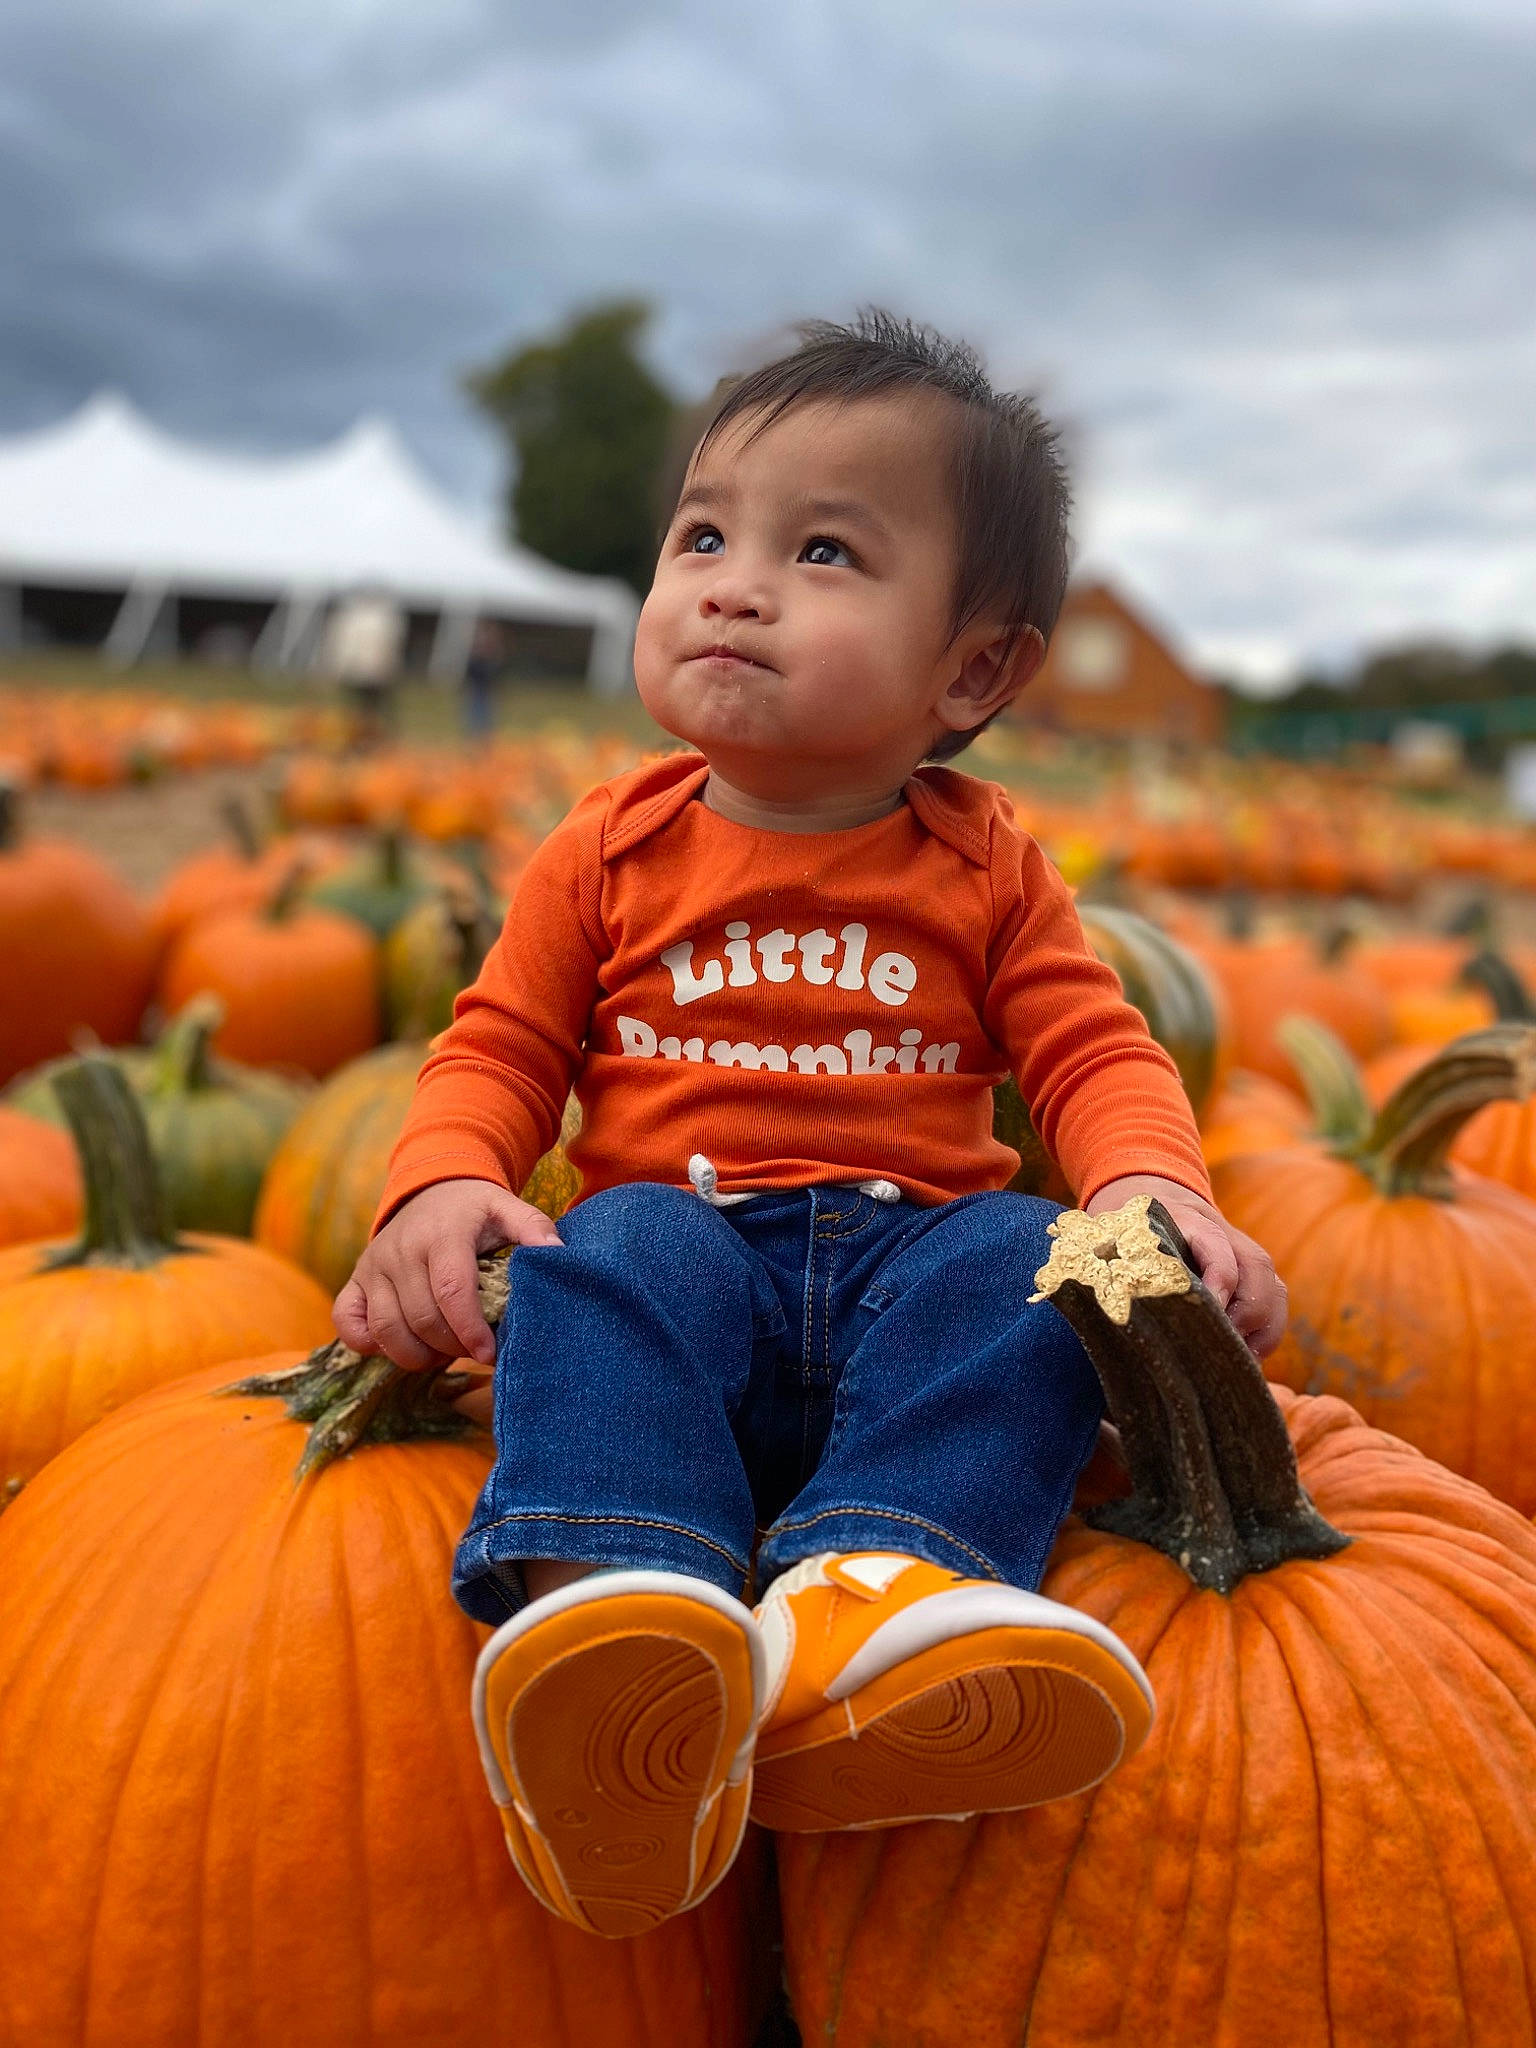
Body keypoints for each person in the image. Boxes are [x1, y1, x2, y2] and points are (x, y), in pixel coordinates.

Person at [335, 312, 1285, 1940]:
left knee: (1026, 1258)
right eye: (702, 533)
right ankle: (624, 1618)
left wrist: (1150, 1192)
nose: (733, 580)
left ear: (971, 669)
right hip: (690, 1273)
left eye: (824, 549)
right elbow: (496, 1044)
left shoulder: (988, 867)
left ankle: (878, 1596)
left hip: (912, 1284)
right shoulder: (604, 851)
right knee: (608, 1244)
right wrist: (441, 1183)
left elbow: (1091, 1052)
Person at [319, 586, 405, 748]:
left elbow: (388, 645)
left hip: (367, 670)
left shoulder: (358, 617)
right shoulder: (380, 617)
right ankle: (364, 739)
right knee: (364, 709)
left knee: (371, 709)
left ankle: (373, 740)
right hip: (365, 670)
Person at [463, 618, 507, 739]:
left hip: (485, 674)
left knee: (485, 706)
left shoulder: (490, 634)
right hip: (476, 674)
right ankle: (475, 734)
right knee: (475, 705)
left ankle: (484, 735)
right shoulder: (475, 633)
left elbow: (496, 656)